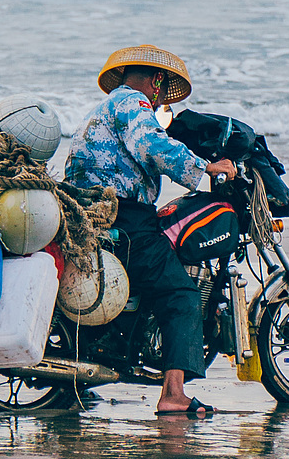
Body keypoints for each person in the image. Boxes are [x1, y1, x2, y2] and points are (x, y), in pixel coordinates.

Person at [63, 43, 236, 418]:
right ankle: (174, 393)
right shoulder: (131, 104)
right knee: (180, 294)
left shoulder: (104, 109)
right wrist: (205, 168)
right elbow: (153, 145)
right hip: (121, 218)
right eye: (160, 92)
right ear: (156, 81)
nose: (158, 102)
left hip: (94, 214)